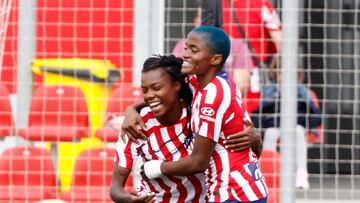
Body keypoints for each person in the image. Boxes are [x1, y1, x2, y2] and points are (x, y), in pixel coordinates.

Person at [136, 26, 267, 203]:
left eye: (194, 50)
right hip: (246, 189)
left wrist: (157, 167)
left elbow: (199, 162)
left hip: (233, 193)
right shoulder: (200, 80)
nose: (186, 55)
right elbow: (163, 92)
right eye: (186, 48)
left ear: (215, 59)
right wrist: (133, 109)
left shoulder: (213, 96)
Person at [109, 54, 261, 203]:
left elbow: (251, 155)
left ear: (177, 85)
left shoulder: (201, 111)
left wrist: (255, 139)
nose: (149, 95)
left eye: (156, 87)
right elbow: (115, 188)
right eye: (145, 90)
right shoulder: (136, 125)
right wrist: (127, 199)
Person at [252, 67, 322, 190]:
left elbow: (311, 111)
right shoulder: (269, 89)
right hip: (274, 125)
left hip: (295, 125)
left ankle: (301, 172)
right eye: (281, 73)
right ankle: (269, 172)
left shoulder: (302, 90)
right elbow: (262, 111)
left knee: (299, 131)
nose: (284, 77)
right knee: (270, 133)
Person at [173, 6, 255, 96]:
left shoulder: (237, 45)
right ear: (196, 22)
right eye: (205, 18)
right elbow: (173, 79)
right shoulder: (182, 45)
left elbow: (241, 87)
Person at [221, 0, 283, 114]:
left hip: (224, 77)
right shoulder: (262, 5)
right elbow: (281, 43)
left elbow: (281, 44)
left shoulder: (213, 5)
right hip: (246, 78)